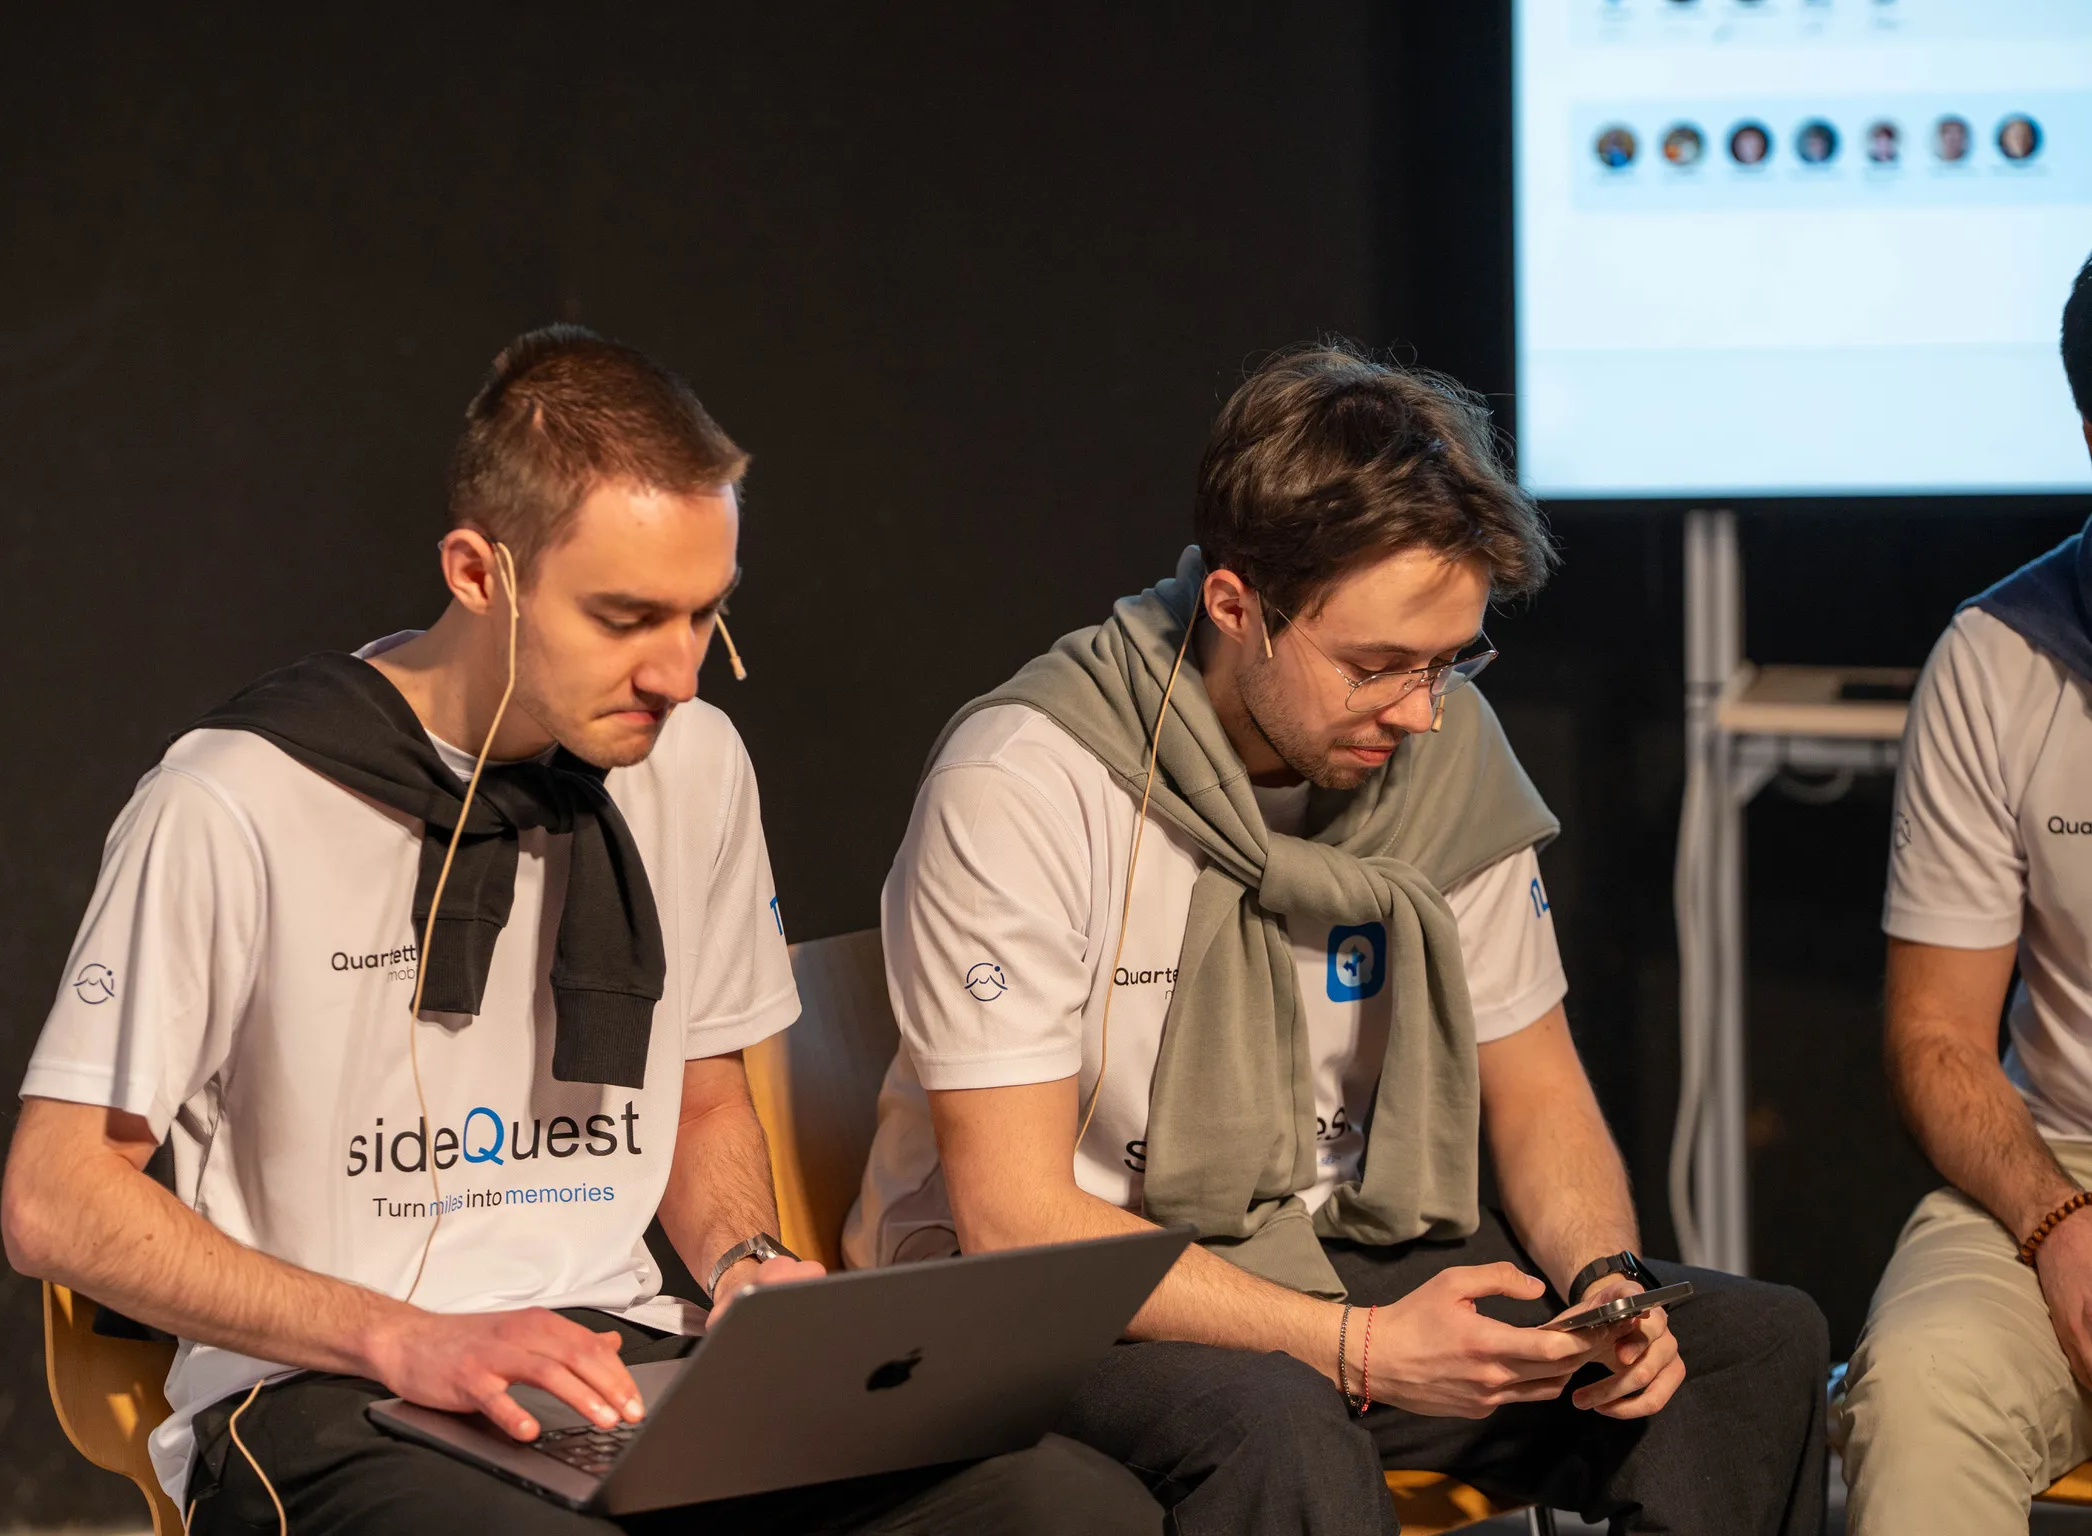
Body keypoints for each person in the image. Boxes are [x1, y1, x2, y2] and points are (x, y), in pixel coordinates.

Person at [0, 326, 1162, 1536]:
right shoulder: (235, 799)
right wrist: (402, 1337)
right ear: (476, 572)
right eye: (625, 617)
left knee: (1067, 1507)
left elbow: (704, 1100)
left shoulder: (693, 764)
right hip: (325, 1387)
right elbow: (56, 1197)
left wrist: (740, 1264)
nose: (680, 674)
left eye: (706, 615)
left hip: (614, 1359)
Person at [844, 347, 1830, 1535]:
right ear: (1235, 606)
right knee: (1281, 1414)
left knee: (1749, 1350)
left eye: (1450, 661)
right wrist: (1360, 1349)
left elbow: (1537, 1095)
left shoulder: (1442, 746)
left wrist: (1606, 1291)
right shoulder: (1028, 779)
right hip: (1049, 1293)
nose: (1420, 711)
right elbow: (1016, 1219)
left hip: (1323, 1246)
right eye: (1375, 667)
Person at [1836, 258, 2092, 1532]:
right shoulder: (2000, 658)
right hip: (2063, 1164)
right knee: (1917, 1391)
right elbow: (1938, 1035)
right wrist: (2059, 1223)